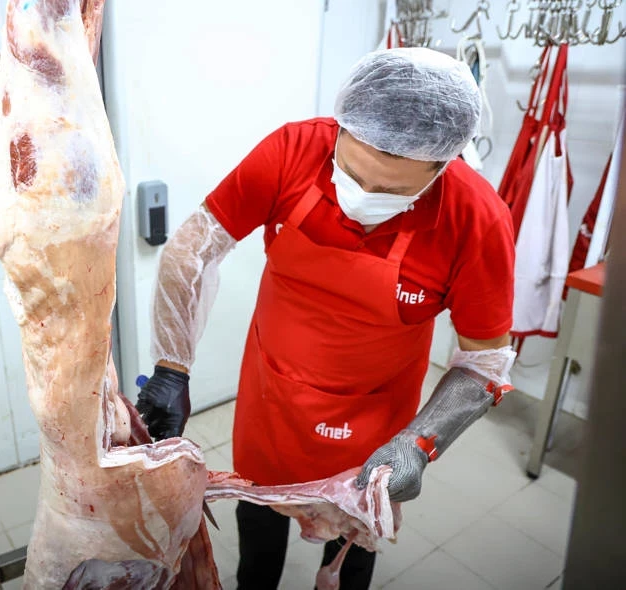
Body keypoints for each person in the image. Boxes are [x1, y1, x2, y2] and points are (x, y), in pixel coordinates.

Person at [136, 47, 517, 590]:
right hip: (272, 399)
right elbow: (191, 250)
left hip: (376, 420)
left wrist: (421, 443)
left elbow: (485, 361)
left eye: (390, 190)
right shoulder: (294, 149)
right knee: (258, 539)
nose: (363, 196)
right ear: (340, 130)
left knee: (351, 555)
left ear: (442, 164)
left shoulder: (474, 218)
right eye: (353, 172)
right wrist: (172, 368)